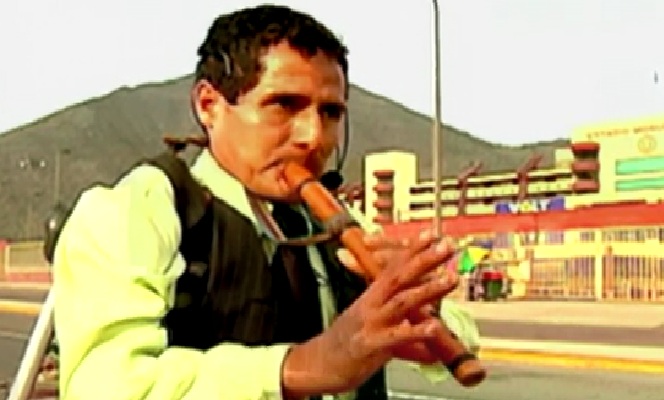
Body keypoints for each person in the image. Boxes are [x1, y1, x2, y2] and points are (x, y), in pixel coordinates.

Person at [50, 5, 480, 400]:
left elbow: (464, 334)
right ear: (209, 105)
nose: (313, 137)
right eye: (284, 105)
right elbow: (103, 385)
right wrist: (297, 367)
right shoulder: (138, 210)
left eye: (330, 113)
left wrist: (425, 310)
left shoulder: (343, 221)